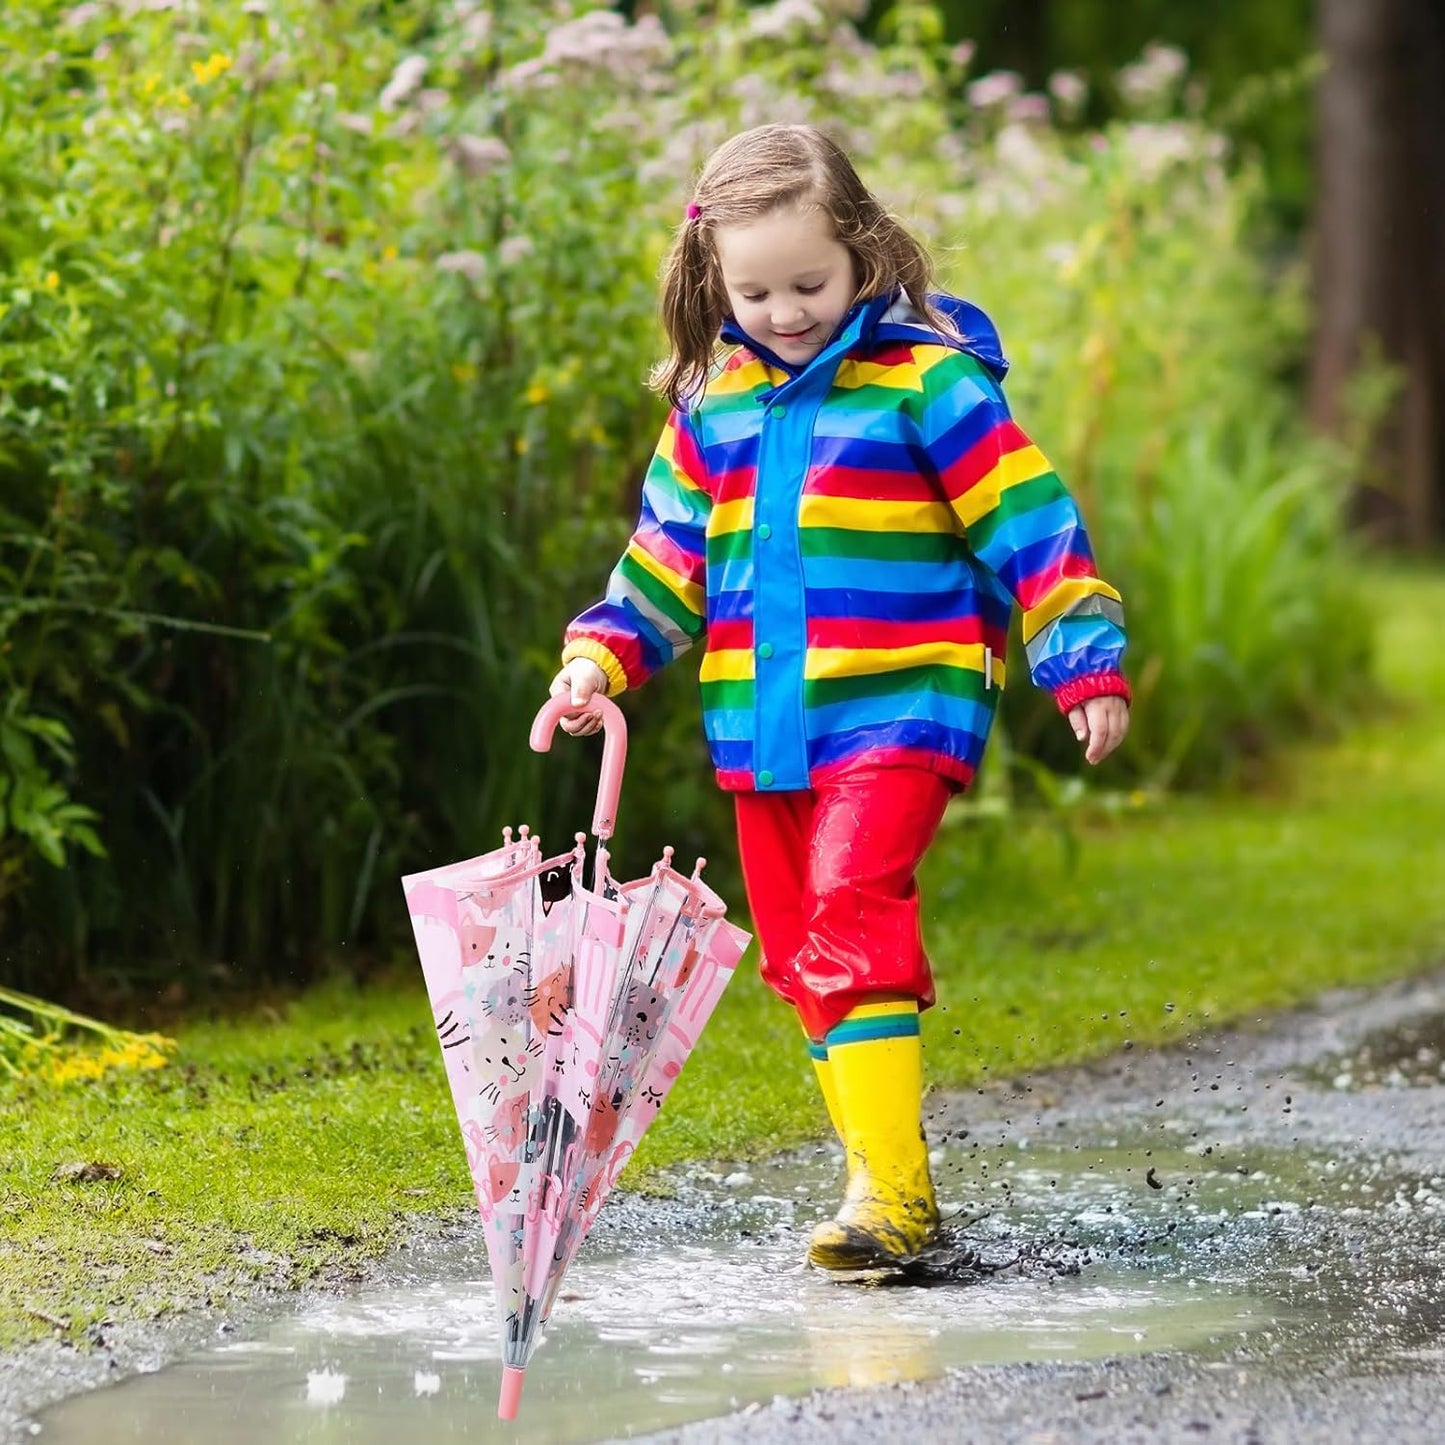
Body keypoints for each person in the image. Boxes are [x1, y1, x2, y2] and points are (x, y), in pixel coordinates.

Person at [547, 123, 1130, 1277]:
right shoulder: (710, 403)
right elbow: (664, 562)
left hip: (902, 707)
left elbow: (1029, 523)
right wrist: (597, 659)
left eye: (808, 282)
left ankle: (893, 1200)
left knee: (850, 901)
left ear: (863, 252)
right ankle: (887, 1176)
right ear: (715, 279)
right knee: (800, 948)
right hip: (764, 725)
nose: (784, 311)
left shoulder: (929, 383)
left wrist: (1080, 655)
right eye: (754, 290)